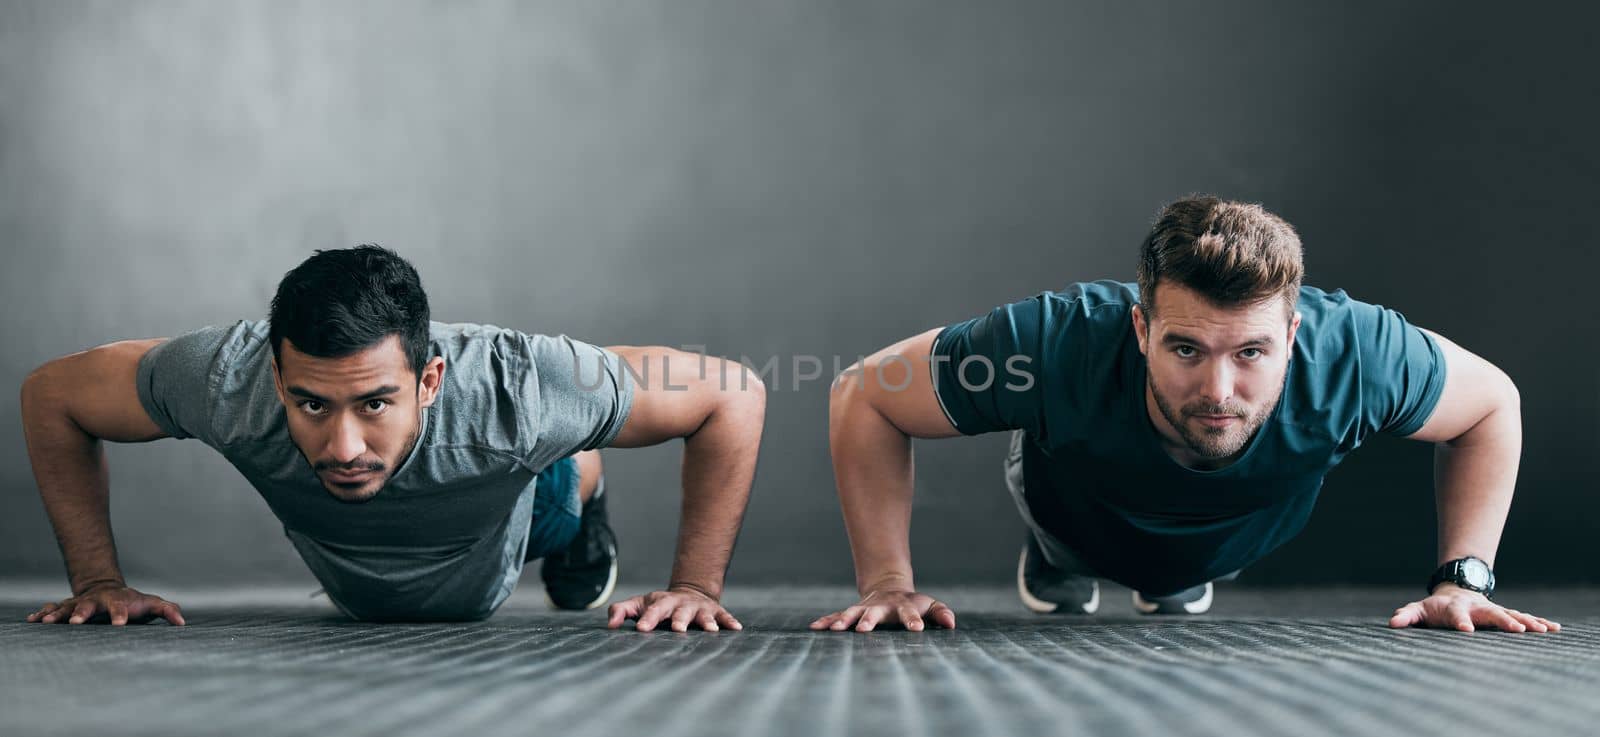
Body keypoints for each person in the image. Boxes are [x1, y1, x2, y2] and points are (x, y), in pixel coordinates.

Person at [812, 195, 1559, 635]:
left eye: (1252, 354)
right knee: (1072, 550)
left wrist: (1464, 580)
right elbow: (864, 394)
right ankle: (1059, 556)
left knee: (1181, 576)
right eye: (1186, 348)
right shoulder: (1052, 341)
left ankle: (1176, 575)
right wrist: (885, 582)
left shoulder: (1357, 353)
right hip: (1074, 507)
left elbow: (1492, 405)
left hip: (1237, 528)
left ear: (1295, 336)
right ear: (1140, 329)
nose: (1220, 387)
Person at [21, 245, 764, 631]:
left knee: (559, 472)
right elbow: (51, 395)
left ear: (430, 380)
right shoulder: (224, 379)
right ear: (276, 380)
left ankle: (579, 494)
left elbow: (734, 394)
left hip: (502, 525)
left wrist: (695, 587)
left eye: (375, 402)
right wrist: (96, 582)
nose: (343, 444)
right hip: (365, 570)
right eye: (311, 403)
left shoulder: (517, 386)